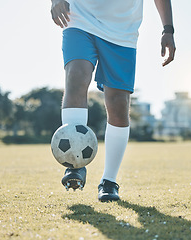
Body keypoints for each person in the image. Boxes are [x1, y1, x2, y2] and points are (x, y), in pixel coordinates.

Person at [50, 0, 176, 202]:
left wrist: (167, 29)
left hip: (122, 29)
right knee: (76, 75)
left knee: (118, 102)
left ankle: (109, 181)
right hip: (80, 17)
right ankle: (75, 165)